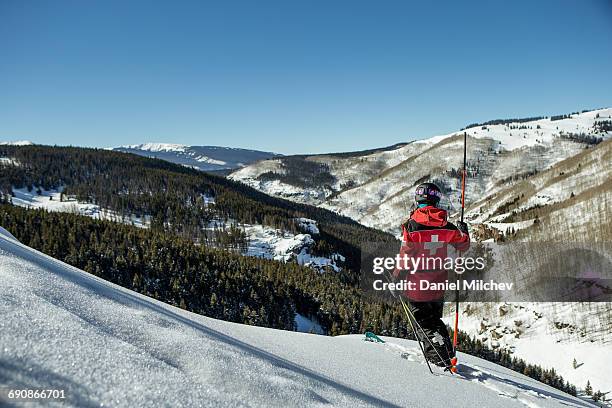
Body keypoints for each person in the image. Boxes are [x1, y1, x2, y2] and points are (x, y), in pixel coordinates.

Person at [394, 182, 470, 368]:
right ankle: (446, 352)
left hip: (417, 283)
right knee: (433, 319)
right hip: (438, 283)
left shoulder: (411, 226)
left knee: (423, 322)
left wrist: (396, 277)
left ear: (417, 199)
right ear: (436, 200)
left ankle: (439, 358)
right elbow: (463, 246)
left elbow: (405, 255)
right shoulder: (449, 227)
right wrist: (464, 232)